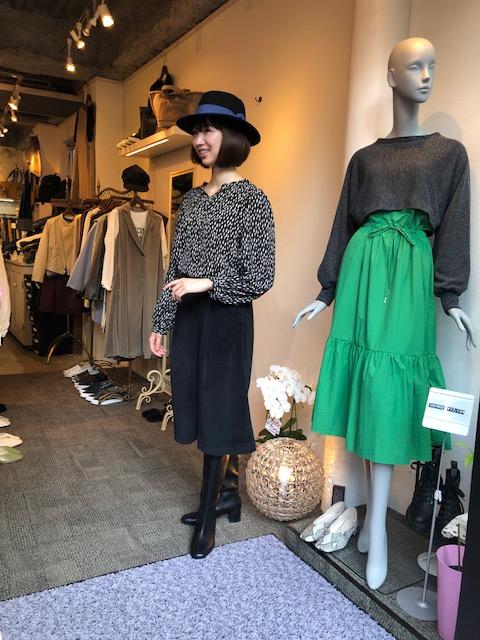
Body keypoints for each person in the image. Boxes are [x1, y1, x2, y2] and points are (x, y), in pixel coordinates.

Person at [293, 38, 475, 589]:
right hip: (362, 271)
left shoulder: (449, 155)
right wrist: (326, 291)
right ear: (392, 75)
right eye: (415, 66)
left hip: (411, 273)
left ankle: (376, 524)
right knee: (365, 387)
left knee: (390, 392)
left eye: (432, 66)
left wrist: (451, 298)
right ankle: (371, 521)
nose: (427, 75)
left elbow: (455, 228)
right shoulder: (365, 159)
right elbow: (342, 225)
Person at [150, 91, 275, 559]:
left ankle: (208, 514)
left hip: (226, 319)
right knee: (196, 403)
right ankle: (226, 495)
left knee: (220, 407)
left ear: (234, 136)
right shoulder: (190, 201)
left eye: (209, 130)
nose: (200, 139)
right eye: (197, 131)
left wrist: (208, 283)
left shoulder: (253, 201)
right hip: (189, 319)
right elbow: (174, 267)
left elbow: (261, 275)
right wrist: (161, 319)